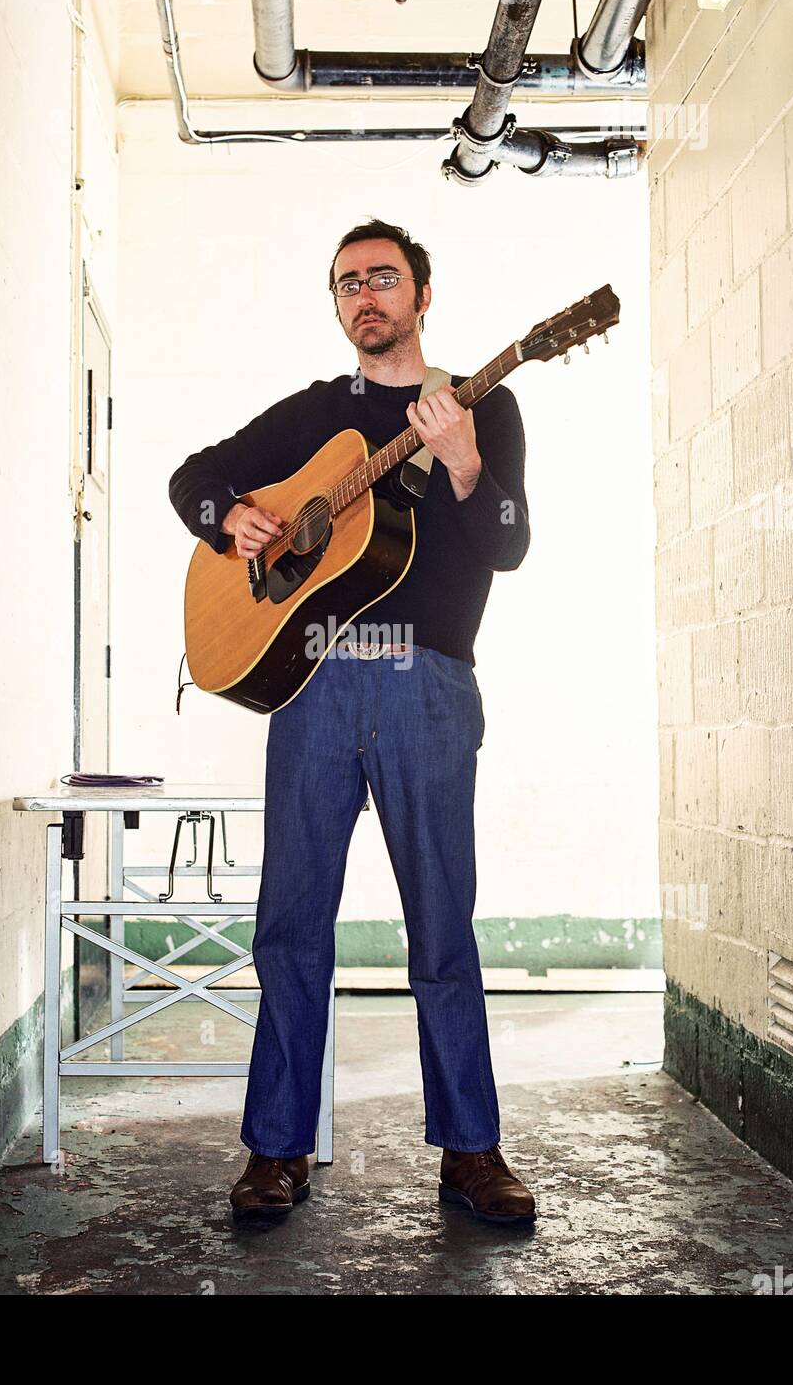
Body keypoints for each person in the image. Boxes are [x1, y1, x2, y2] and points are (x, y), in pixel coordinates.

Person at [168, 218, 535, 1224]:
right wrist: (228, 518)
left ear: (423, 294)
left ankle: (471, 1151)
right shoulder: (313, 418)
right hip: (312, 688)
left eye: (383, 277)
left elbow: (508, 544)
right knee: (289, 927)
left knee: (439, 928)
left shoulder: (482, 407)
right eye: (347, 284)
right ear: (338, 307)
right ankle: (275, 1150)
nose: (366, 295)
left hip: (426, 688)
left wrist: (460, 461)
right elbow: (193, 476)